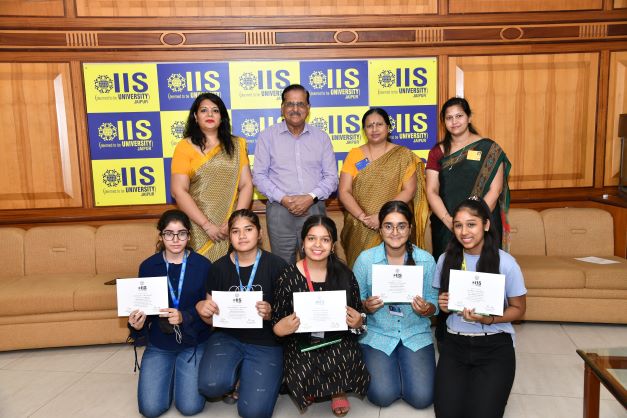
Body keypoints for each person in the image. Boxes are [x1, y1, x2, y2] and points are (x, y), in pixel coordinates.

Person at [432, 197, 526, 418]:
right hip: (455, 343)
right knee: (447, 414)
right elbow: (440, 301)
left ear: (486, 225)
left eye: (471, 224)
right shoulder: (445, 259)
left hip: (494, 344)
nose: (464, 232)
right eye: (458, 225)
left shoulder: (506, 263)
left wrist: (489, 319)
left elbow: (519, 309)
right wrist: (443, 305)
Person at [272, 215, 369, 417]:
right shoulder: (288, 276)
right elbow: (277, 322)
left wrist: (358, 321)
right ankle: (310, 388)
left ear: (333, 246)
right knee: (302, 360)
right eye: (311, 238)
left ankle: (337, 391)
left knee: (344, 354)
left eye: (325, 239)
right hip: (301, 339)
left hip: (337, 337)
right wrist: (280, 328)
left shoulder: (345, 274)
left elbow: (359, 316)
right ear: (303, 243)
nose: (317, 245)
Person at [195, 209, 287, 418]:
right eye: (235, 231)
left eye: (248, 229)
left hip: (266, 341)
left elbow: (289, 314)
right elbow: (211, 320)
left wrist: (271, 313)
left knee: (254, 413)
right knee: (210, 385)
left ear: (260, 233)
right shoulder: (218, 268)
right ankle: (236, 373)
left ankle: (252, 377)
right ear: (229, 236)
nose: (242, 236)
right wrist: (203, 309)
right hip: (227, 337)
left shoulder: (277, 266)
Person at [353, 200, 438, 409]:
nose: (395, 232)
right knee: (382, 395)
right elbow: (355, 303)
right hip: (378, 334)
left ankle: (401, 369)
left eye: (401, 226)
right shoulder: (365, 260)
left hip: (415, 333)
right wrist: (366, 307)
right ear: (380, 229)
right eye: (388, 226)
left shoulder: (426, 260)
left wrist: (426, 309)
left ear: (410, 229)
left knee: (422, 398)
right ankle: (395, 372)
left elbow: (434, 302)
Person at [128, 209, 211, 418]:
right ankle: (170, 373)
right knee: (150, 409)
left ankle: (177, 374)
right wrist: (137, 324)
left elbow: (209, 312)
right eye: (169, 233)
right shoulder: (148, 266)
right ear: (161, 236)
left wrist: (185, 316)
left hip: (193, 342)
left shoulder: (203, 266)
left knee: (190, 407)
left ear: (189, 236)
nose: (175, 239)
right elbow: (144, 307)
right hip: (160, 343)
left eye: (181, 233)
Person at [253, 84, 338, 263]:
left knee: (317, 264)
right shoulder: (267, 137)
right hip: (280, 210)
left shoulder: (321, 138)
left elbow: (331, 177)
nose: (295, 109)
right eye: (290, 104)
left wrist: (310, 197)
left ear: (308, 108)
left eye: (300, 104)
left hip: (314, 208)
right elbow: (259, 176)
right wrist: (284, 199)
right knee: (282, 267)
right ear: (282, 107)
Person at [425, 96, 511, 262]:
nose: (454, 121)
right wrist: (450, 221)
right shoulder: (437, 152)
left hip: (483, 222)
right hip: (446, 224)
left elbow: (495, 190)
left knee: (484, 270)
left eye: (459, 116)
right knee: (448, 271)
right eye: (449, 118)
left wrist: (475, 222)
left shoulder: (489, 149)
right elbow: (431, 191)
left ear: (469, 117)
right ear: (444, 122)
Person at [339, 108, 428, 267]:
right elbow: (344, 191)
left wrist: (381, 216)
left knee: (395, 272)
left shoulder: (403, 155)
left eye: (379, 124)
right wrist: (363, 218)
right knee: (362, 270)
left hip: (393, 224)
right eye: (369, 126)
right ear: (364, 130)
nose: (374, 129)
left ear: (388, 127)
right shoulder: (354, 155)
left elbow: (409, 190)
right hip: (360, 225)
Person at [171, 92, 253, 262]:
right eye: (204, 110)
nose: (210, 114)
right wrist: (206, 225)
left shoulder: (237, 145)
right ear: (195, 116)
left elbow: (246, 185)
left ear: (222, 117)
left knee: (229, 271)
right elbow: (178, 191)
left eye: (215, 110)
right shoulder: (184, 147)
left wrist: (234, 223)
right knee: (200, 270)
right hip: (197, 224)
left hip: (230, 225)